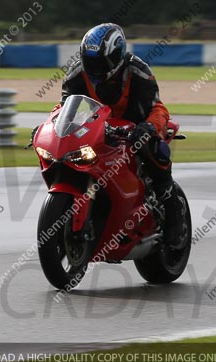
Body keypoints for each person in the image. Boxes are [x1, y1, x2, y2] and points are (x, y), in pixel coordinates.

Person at [59, 23, 186, 250]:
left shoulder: (138, 71)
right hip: (96, 129)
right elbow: (64, 108)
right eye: (91, 61)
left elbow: (156, 107)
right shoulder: (77, 73)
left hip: (136, 126)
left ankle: (174, 215)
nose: (95, 68)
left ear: (117, 55)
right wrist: (50, 125)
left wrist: (147, 127)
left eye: (100, 62)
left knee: (155, 149)